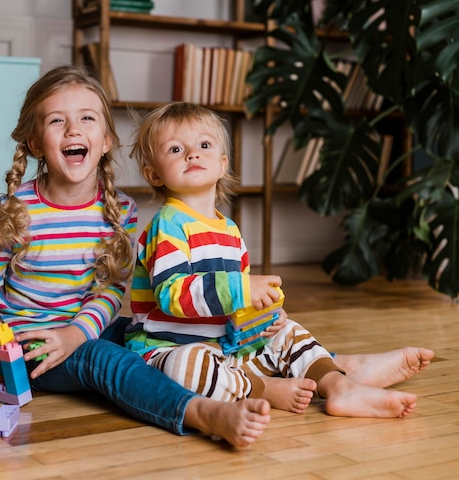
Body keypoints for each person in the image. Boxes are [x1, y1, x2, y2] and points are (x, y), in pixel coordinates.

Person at [0, 65, 270, 449]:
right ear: (36, 144)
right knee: (103, 359)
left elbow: (107, 292)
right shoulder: (17, 211)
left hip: (83, 328)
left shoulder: (120, 211)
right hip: (31, 347)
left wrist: (76, 333)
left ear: (105, 139)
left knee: (152, 335)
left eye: (87, 119)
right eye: (58, 121)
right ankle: (200, 413)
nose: (74, 130)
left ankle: (282, 374)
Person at [125, 101, 431, 418]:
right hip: (167, 349)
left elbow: (233, 307)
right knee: (184, 368)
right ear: (153, 174)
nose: (192, 154)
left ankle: (338, 386)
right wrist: (243, 289)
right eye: (175, 149)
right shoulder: (168, 225)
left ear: (222, 163)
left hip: (226, 349)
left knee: (289, 333)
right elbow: (172, 295)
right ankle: (263, 389)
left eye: (204, 145)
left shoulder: (229, 230)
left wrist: (263, 317)